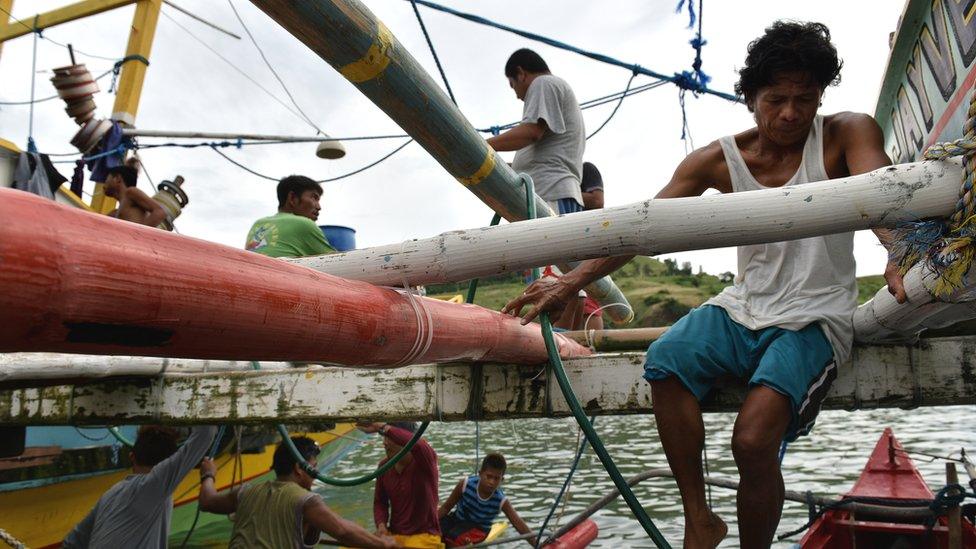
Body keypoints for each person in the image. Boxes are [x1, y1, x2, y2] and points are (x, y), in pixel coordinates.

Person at [503, 21, 906, 548]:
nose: (790, 113)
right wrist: (572, 281)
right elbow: (644, 225)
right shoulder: (719, 159)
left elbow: (884, 191)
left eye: (804, 99)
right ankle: (700, 518)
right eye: (776, 98)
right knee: (666, 361)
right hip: (744, 309)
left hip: (814, 318)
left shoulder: (845, 133)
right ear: (750, 98)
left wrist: (901, 247)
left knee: (753, 438)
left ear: (820, 97)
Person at [198, 436, 399, 549]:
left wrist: (208, 475)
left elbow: (207, 501)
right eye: (314, 466)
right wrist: (383, 544)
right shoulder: (306, 501)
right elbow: (343, 531)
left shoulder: (245, 492)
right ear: (299, 468)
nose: (317, 472)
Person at [63, 425, 219, 548]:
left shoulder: (111, 494)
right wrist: (208, 475)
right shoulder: (157, 484)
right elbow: (206, 433)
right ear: (168, 462)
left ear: (132, 457)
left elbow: (72, 543)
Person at [487, 48, 586, 215]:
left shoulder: (543, 83)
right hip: (555, 192)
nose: (517, 96)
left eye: (513, 85)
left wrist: (484, 146)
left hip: (551, 194)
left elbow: (532, 132)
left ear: (521, 73)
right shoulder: (554, 85)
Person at [360, 421, 443, 549]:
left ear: (407, 440)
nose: (385, 443)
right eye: (385, 437)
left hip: (425, 537)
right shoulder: (383, 466)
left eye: (390, 437)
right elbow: (380, 502)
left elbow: (419, 444)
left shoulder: (425, 461)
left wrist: (381, 427)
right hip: (394, 535)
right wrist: (381, 527)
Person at [438, 453, 535, 547]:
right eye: (488, 476)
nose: (491, 482)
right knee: (435, 531)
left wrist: (537, 544)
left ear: (502, 480)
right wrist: (429, 522)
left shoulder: (501, 500)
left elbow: (518, 523)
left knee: (453, 539)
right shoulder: (465, 484)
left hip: (479, 530)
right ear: (480, 474)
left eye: (496, 478)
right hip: (457, 520)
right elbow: (446, 507)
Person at [245, 175, 336, 258]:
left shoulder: (258, 223)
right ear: (292, 198)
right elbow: (337, 262)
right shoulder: (304, 224)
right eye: (314, 198)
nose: (319, 207)